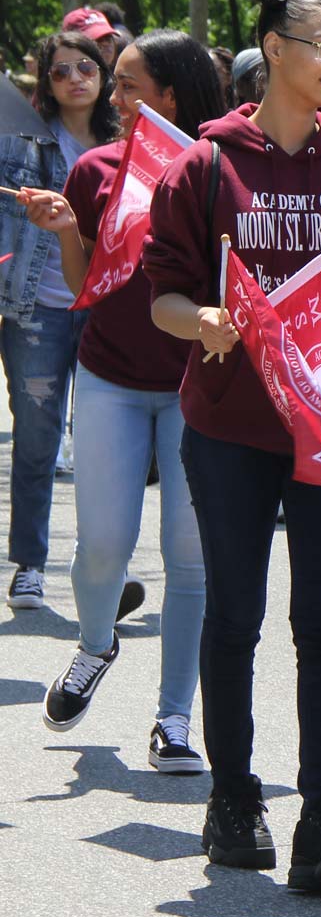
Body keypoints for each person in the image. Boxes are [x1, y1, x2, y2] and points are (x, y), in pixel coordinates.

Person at [143, 0, 321, 892]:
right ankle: (232, 797)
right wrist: (202, 321)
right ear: (273, 51)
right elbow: (164, 295)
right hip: (229, 427)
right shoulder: (206, 162)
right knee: (234, 614)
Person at [15, 31, 222, 769]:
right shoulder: (98, 169)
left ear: (175, 95)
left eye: (132, 86)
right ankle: (95, 643)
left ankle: (174, 719)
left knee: (189, 559)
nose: (116, 99)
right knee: (101, 546)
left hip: (199, 388)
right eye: (117, 85)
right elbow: (83, 287)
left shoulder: (221, 170)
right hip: (111, 379)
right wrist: (71, 229)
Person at [1, 31, 121, 611]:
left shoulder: (130, 143)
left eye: (86, 67)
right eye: (60, 71)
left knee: (104, 444)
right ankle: (29, 564)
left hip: (106, 309)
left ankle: (104, 567)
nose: (75, 78)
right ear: (45, 84)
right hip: (35, 311)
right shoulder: (22, 140)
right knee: (38, 440)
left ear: (104, 74)